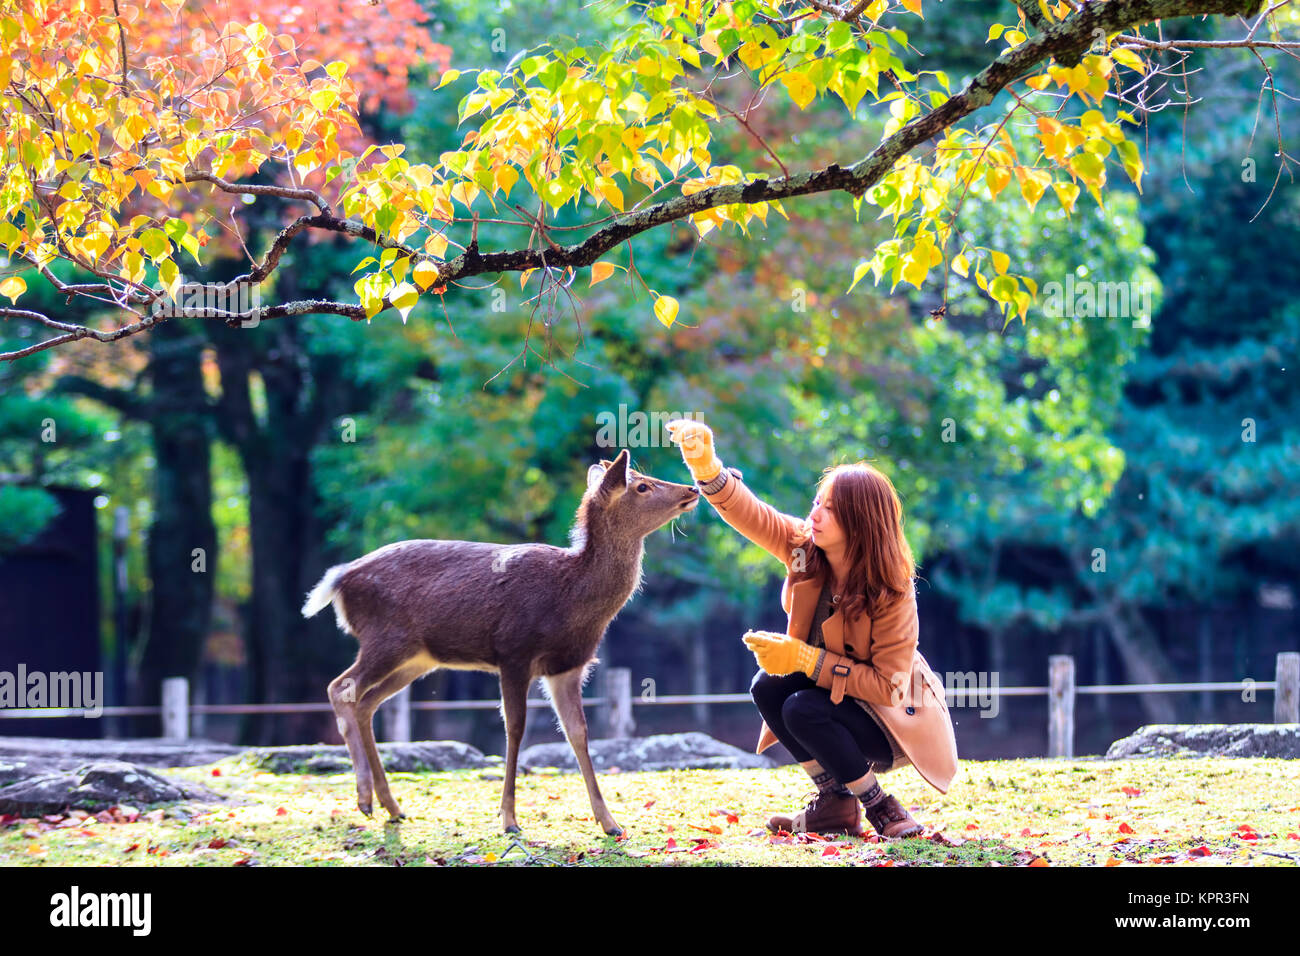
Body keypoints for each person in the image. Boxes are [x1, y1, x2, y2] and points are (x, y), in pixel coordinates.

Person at [666, 419, 959, 840]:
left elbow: (887, 688)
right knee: (769, 686)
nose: (815, 514)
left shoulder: (893, 590)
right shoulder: (805, 549)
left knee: (802, 707)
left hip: (891, 725)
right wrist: (707, 466)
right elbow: (751, 513)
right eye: (817, 502)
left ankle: (881, 807)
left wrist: (805, 659)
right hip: (834, 702)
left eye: (831, 509)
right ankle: (835, 804)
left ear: (860, 523)